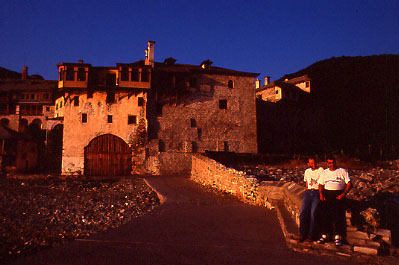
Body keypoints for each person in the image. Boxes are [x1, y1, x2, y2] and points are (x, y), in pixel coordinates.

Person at [317, 156, 352, 246]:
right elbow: (320, 184)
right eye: (329, 163)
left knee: (338, 216)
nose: (331, 164)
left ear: (335, 162)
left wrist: (343, 194)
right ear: (327, 163)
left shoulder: (342, 171)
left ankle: (337, 237)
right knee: (325, 216)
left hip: (338, 195)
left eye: (332, 162)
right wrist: (321, 194)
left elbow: (349, 184)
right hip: (327, 194)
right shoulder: (324, 172)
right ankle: (324, 235)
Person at [298, 156, 323, 242]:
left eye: (314, 163)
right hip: (308, 192)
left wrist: (320, 193)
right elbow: (306, 182)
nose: (313, 164)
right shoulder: (307, 171)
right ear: (308, 164)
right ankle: (302, 235)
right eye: (311, 163)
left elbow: (321, 183)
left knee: (313, 214)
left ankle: (310, 236)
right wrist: (307, 190)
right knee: (302, 214)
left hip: (316, 192)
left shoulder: (320, 170)